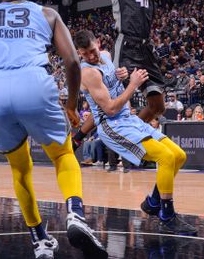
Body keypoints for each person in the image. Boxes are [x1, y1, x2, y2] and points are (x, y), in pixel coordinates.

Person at [0, 0, 107, 259]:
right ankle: (75, 215)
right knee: (63, 155)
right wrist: (72, 104)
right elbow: (73, 62)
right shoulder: (47, 14)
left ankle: (39, 240)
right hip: (34, 83)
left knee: (20, 169)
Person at [74, 30, 195, 235]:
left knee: (179, 156)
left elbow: (113, 86)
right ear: (79, 53)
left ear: (98, 42)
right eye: (85, 54)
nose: (92, 57)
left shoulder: (107, 57)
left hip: (128, 119)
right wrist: (132, 83)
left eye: (93, 51)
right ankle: (167, 215)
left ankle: (153, 201)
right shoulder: (88, 72)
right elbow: (110, 108)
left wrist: (121, 77)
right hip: (112, 125)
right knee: (165, 157)